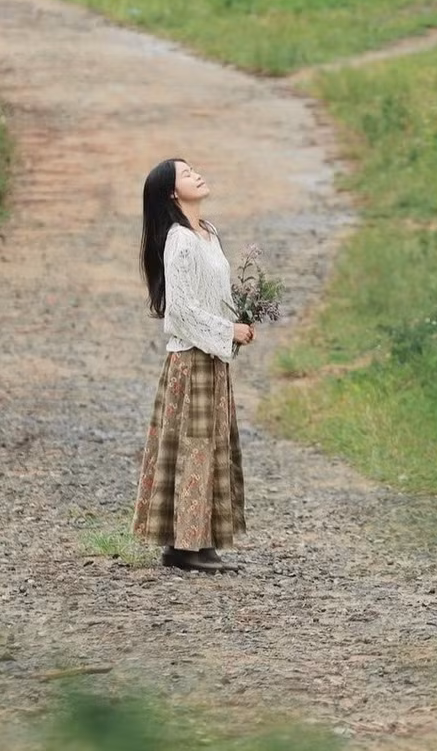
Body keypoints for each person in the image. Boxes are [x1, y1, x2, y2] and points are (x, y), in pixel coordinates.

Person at [132, 158, 254, 574]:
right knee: (194, 447)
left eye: (193, 170)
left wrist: (239, 322)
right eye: (185, 174)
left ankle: (196, 540)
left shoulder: (208, 233)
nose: (196, 175)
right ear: (172, 192)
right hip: (192, 359)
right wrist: (228, 331)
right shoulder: (179, 240)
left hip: (213, 356)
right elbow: (181, 312)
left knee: (210, 445)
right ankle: (185, 546)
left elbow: (212, 294)